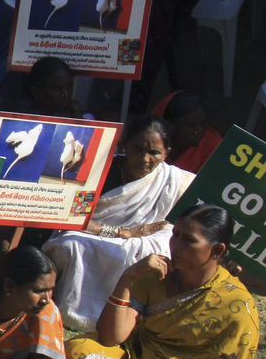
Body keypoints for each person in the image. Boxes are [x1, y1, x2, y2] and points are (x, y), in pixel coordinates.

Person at [66, 204, 258, 359]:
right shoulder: (156, 278)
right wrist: (128, 277)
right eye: (175, 234)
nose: (175, 246)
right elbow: (113, 337)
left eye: (188, 240)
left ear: (217, 250)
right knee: (80, 350)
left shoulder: (237, 308)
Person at [44, 115, 195, 330]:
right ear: (124, 145)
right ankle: (74, 313)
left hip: (145, 237)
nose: (144, 159)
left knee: (160, 244)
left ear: (167, 153)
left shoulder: (174, 181)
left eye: (154, 153)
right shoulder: (98, 170)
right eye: (137, 149)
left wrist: (138, 237)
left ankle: (128, 316)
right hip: (92, 234)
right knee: (70, 244)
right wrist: (122, 232)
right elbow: (72, 215)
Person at [155, 91, 222, 173]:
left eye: (203, 124)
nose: (199, 131)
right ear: (170, 125)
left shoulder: (210, 143)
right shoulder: (147, 146)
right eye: (191, 125)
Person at [18, 56, 82, 117]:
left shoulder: (80, 115)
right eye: (57, 88)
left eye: (69, 86)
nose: (66, 94)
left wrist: (79, 121)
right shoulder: (19, 118)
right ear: (36, 92)